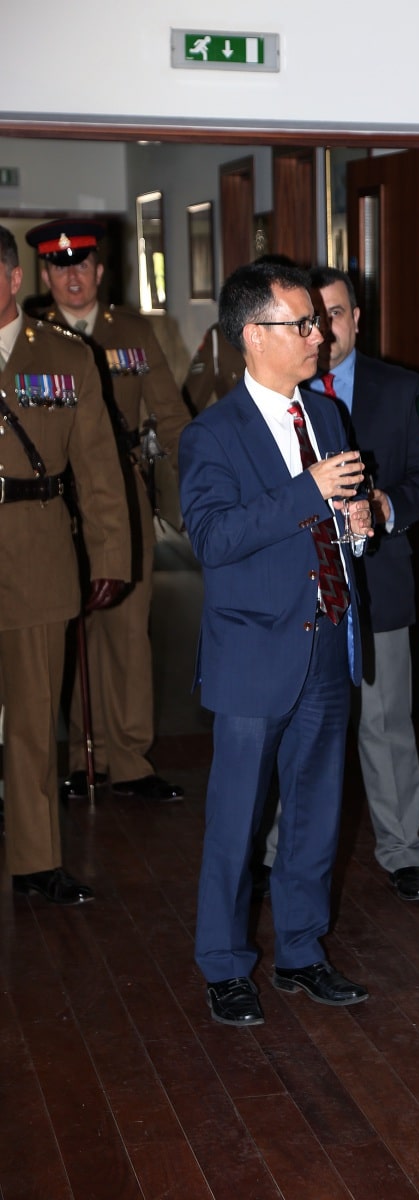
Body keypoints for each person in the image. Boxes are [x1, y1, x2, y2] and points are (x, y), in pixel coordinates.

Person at [179, 259, 373, 1026]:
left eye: (318, 322)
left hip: (325, 640)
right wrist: (308, 492)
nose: (319, 336)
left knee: (317, 814)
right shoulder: (212, 433)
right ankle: (225, 965)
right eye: (302, 324)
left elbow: (335, 517)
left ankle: (301, 950)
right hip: (253, 655)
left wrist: (357, 524)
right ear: (254, 335)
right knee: (237, 821)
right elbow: (213, 538)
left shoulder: (326, 415)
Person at [290, 266, 419, 902]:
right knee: (297, 725)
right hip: (300, 592)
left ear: (356, 318)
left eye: (335, 314)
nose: (325, 331)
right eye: (312, 319)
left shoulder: (405, 389)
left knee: (385, 723)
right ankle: (277, 851)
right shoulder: (280, 394)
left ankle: (403, 852)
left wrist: (386, 506)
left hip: (379, 582)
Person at [26, 219, 190, 803]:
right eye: (60, 267)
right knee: (71, 632)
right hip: (52, 504)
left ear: (99, 270)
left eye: (82, 265)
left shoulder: (133, 333)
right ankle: (81, 757)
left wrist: (205, 479)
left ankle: (131, 760)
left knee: (127, 631)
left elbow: (171, 416)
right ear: (44, 276)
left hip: (121, 495)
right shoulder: (30, 338)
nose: (72, 276)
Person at [0, 225, 130, 903]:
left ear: (14, 278)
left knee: (31, 719)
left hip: (36, 552)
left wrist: (111, 554)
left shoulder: (64, 357)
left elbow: (100, 468)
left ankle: (34, 860)